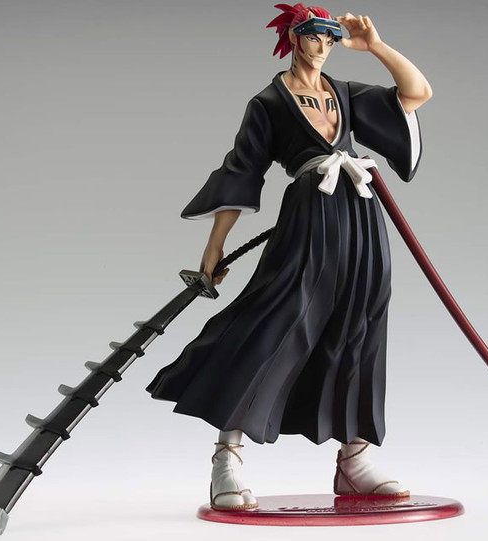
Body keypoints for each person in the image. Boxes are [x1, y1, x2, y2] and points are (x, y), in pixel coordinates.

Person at [146, 3, 432, 510]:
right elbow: (242, 169)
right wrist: (214, 245)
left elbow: (417, 92)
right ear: (292, 39)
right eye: (312, 35)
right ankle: (227, 457)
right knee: (276, 314)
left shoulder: (344, 93)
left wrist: (375, 46)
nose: (322, 46)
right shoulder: (269, 102)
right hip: (310, 212)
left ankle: (355, 459)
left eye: (329, 37)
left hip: (361, 212)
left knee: (361, 322)